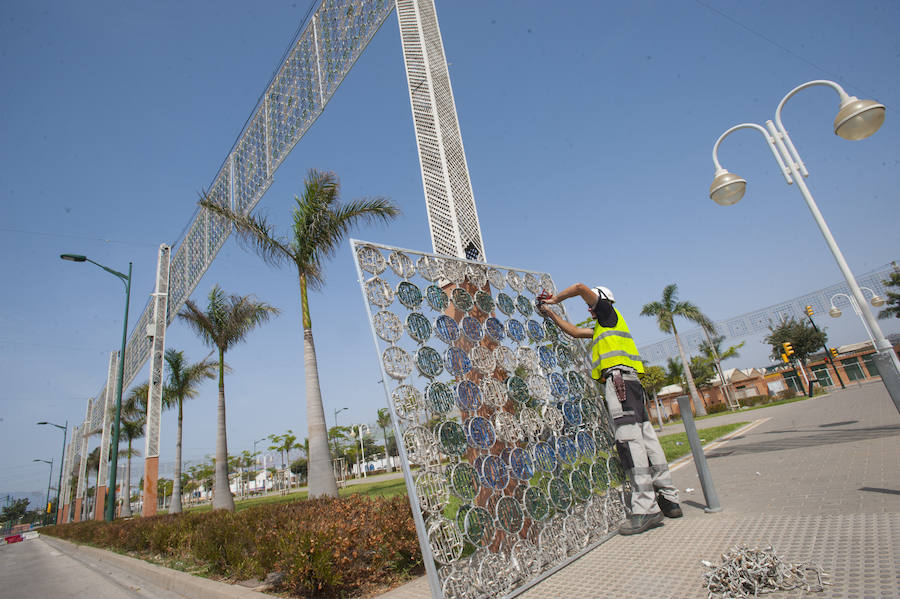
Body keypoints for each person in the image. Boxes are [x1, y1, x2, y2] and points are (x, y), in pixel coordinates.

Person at [538, 283, 682, 535]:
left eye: (592, 303)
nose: (588, 307)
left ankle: (645, 508)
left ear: (602, 301)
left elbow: (581, 287)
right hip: (632, 385)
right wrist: (550, 314)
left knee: (629, 443)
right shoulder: (605, 327)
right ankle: (669, 500)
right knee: (647, 439)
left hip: (619, 384)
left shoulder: (607, 312)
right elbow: (573, 331)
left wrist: (554, 300)